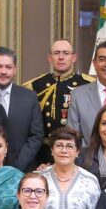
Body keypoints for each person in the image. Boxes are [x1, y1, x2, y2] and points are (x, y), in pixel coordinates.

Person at [24, 38, 94, 166]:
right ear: (49, 58)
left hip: (78, 153)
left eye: (66, 53)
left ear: (74, 58)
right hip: (43, 155)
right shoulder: (34, 85)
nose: (61, 57)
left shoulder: (88, 84)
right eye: (57, 53)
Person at [0, 47, 45, 171]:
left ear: (15, 70)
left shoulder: (29, 97)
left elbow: (36, 135)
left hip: (22, 170)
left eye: (8, 67)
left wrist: (17, 167)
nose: (3, 71)